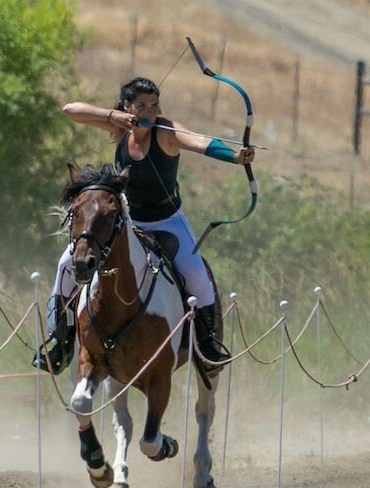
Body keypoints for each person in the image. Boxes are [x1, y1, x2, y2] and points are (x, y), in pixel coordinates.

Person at [34, 77, 255, 375]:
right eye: (142, 106)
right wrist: (114, 117)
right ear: (127, 106)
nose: (150, 112)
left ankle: (207, 348)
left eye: (154, 105)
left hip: (168, 221)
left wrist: (234, 155)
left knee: (196, 274)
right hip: (127, 221)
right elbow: (69, 109)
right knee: (65, 265)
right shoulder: (119, 127)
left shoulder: (167, 132)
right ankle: (59, 341)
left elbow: (200, 142)